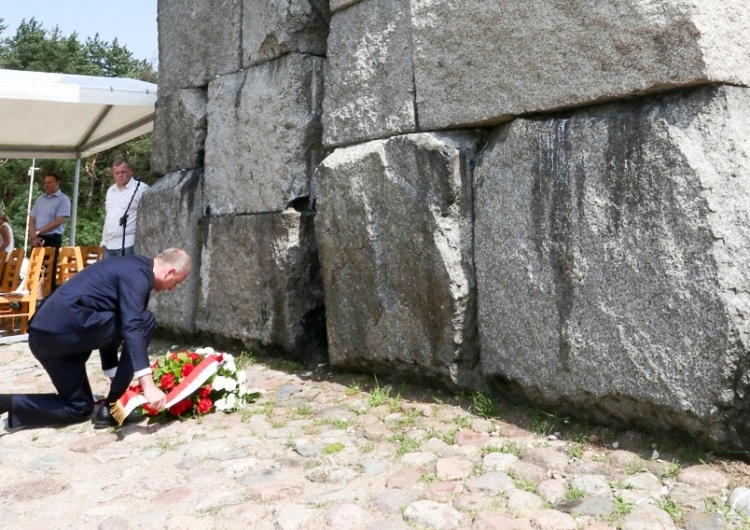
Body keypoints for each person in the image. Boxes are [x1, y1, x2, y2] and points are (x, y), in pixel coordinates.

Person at [0, 248, 192, 433]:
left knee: (79, 407)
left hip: (44, 337)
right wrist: (147, 386)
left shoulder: (130, 266)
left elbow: (111, 321)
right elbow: (131, 326)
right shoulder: (138, 275)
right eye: (177, 282)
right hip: (61, 333)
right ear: (170, 271)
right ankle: (113, 406)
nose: (171, 289)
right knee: (144, 321)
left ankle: (7, 404)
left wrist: (112, 374)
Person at [101, 158, 150, 258]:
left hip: (127, 243)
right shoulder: (111, 190)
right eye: (117, 173)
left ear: (131, 171)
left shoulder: (140, 188)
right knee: (109, 273)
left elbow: (148, 216)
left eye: (123, 172)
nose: (120, 175)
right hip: (108, 243)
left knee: (125, 273)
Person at [28, 172, 70, 250]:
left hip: (52, 238)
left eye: (49, 182)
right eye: (45, 183)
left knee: (50, 262)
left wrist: (38, 231)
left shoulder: (63, 199)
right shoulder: (40, 199)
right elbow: (32, 219)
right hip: (37, 239)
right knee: (36, 262)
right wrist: (33, 237)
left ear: (57, 183)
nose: (46, 185)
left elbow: (58, 221)